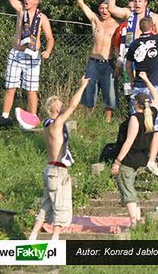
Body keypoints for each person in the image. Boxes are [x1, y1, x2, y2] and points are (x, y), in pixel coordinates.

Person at [29, 76, 90, 240]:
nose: (61, 103)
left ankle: (33, 236)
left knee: (46, 205)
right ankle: (55, 240)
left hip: (50, 169)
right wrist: (83, 86)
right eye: (57, 101)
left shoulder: (47, 125)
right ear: (52, 108)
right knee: (61, 206)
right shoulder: (56, 124)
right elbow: (73, 105)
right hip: (58, 170)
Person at [125, 1, 158, 175]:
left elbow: (128, 65)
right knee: (156, 126)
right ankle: (151, 161)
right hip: (156, 88)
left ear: (140, 29)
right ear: (153, 27)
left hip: (139, 88)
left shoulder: (133, 44)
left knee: (138, 123)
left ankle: (133, 157)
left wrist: (133, 80)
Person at [0, 0, 54, 124]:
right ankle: (4, 118)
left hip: (33, 57)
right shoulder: (20, 10)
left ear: (36, 1)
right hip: (16, 54)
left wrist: (48, 51)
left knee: (31, 90)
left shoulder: (42, 18)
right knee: (10, 87)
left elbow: (50, 38)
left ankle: (31, 120)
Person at [111, 72, 158, 227]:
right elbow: (157, 98)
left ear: (136, 104)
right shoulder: (151, 114)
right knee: (130, 186)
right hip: (141, 158)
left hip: (129, 158)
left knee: (126, 188)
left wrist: (117, 161)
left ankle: (134, 221)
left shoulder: (135, 118)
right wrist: (147, 79)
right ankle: (137, 218)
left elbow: (129, 141)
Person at [74, 0, 120, 123]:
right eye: (101, 8)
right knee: (89, 90)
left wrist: (119, 64)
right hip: (93, 62)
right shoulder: (95, 20)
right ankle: (88, 120)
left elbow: (119, 46)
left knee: (110, 93)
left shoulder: (117, 25)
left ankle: (108, 122)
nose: (104, 10)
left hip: (109, 63)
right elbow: (82, 4)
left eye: (106, 8)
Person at [107, 0, 158, 73]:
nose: (137, 4)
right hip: (130, 55)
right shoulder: (129, 14)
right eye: (135, 1)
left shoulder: (154, 17)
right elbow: (111, 8)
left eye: (140, 1)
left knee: (147, 85)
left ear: (146, 3)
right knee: (129, 86)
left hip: (148, 56)